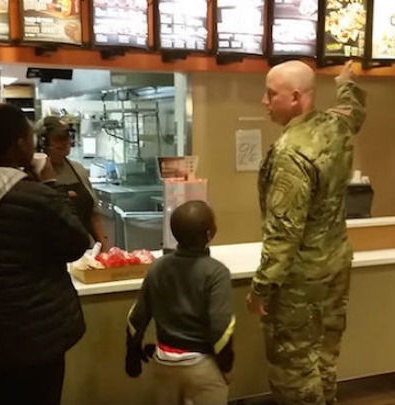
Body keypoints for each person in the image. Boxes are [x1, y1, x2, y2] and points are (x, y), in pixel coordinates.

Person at [0, 103, 90, 405]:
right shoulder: (37, 195)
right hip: (35, 336)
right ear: (20, 143)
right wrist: (50, 183)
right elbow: (77, 243)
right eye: (29, 138)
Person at [246, 60, 367, 405]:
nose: (264, 101)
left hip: (299, 281)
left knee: (293, 368)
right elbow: (353, 109)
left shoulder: (290, 153)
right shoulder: (336, 126)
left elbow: (283, 235)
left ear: (296, 98)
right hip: (335, 268)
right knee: (325, 357)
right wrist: (346, 81)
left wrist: (261, 290)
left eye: (271, 94)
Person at [125, 200, 235, 405]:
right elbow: (221, 327)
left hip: (164, 363)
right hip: (202, 367)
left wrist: (132, 355)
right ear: (210, 234)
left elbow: (136, 317)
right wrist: (226, 367)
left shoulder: (157, 267)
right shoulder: (216, 272)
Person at [35, 116, 109, 249]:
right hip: (49, 254)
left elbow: (94, 215)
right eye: (59, 138)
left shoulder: (78, 170)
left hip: (83, 253)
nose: (66, 142)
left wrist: (105, 249)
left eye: (67, 137)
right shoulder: (34, 173)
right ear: (43, 142)